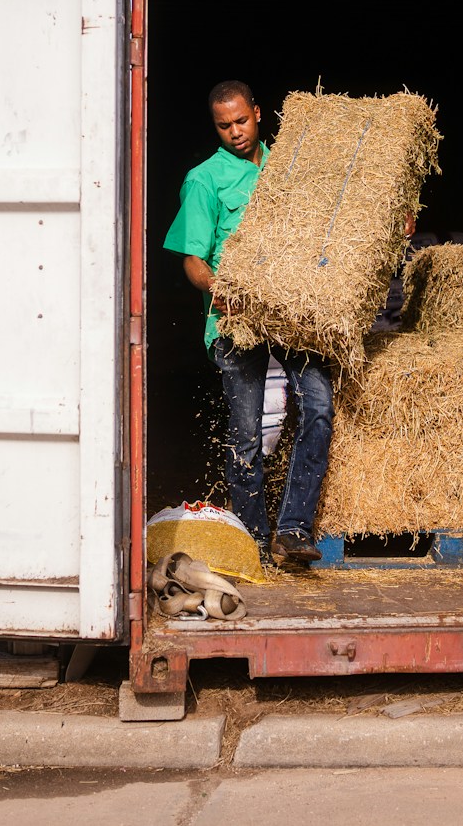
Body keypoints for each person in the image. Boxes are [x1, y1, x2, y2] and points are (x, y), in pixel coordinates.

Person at [162, 80, 333, 567]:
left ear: (258, 114)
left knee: (318, 407)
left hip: (292, 316)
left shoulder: (291, 167)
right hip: (234, 321)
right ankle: (253, 541)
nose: (235, 132)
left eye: (242, 121)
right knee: (247, 434)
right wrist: (224, 291)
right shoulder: (204, 179)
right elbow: (193, 261)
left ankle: (293, 531)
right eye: (224, 125)